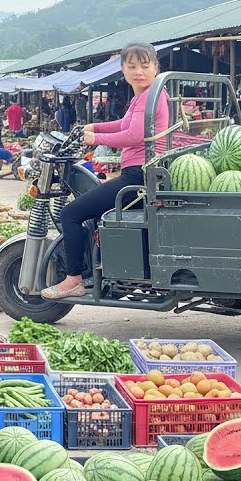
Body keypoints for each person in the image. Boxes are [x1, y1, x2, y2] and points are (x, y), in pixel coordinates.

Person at [43, 43, 168, 300]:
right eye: (132, 66)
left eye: (145, 66)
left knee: (70, 213)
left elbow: (135, 134)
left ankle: (73, 279)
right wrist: (94, 127)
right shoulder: (144, 96)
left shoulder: (150, 96)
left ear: (156, 67)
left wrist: (95, 139)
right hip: (142, 172)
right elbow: (124, 124)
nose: (139, 72)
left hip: (138, 176)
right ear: (122, 69)